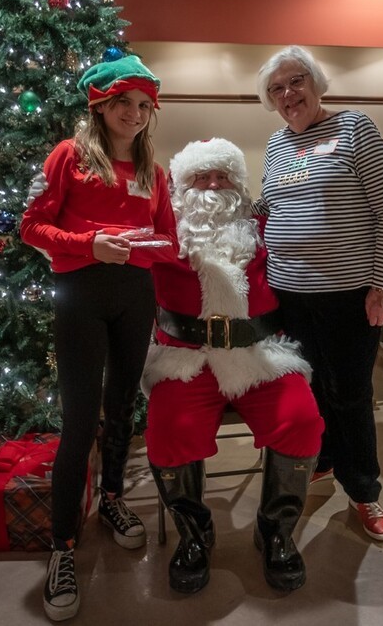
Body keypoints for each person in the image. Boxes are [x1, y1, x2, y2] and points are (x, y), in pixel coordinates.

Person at [20, 54, 179, 622]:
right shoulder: (70, 155)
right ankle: (63, 545)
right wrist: (92, 245)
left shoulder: (154, 170)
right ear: (101, 104)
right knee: (80, 422)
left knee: (122, 408)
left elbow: (168, 238)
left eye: (144, 106)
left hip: (135, 296)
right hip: (81, 296)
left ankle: (112, 497)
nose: (134, 114)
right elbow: (31, 226)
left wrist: (148, 245)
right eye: (124, 103)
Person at [141, 137, 324, 595]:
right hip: (186, 358)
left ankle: (276, 530)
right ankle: (195, 535)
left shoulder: (264, 225)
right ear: (182, 186)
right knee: (169, 430)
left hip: (260, 356)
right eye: (201, 177)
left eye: (222, 176)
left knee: (301, 420)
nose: (213, 185)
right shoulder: (163, 230)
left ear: (239, 184)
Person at [253, 45, 383, 542]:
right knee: (310, 387)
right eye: (277, 88)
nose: (288, 94)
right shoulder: (277, 144)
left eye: (296, 81)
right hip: (289, 295)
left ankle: (363, 489)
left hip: (347, 295)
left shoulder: (354, 128)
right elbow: (269, 207)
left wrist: (382, 284)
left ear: (316, 83)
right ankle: (322, 459)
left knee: (350, 394)